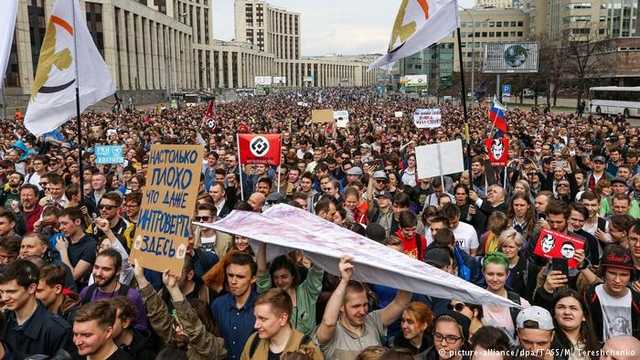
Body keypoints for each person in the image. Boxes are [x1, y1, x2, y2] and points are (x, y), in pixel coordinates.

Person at [315, 256, 411, 360]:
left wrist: (405, 270)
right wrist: (344, 281)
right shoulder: (332, 334)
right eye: (356, 306)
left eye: (365, 305)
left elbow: (400, 303)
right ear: (341, 306)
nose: (362, 311)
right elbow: (328, 323)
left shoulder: (373, 320)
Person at [134, 260, 227, 360]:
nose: (177, 329)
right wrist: (141, 279)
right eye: (177, 325)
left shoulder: (214, 349)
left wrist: (174, 290)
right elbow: (160, 318)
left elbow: (196, 333)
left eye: (183, 326)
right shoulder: (179, 342)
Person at [0, 259, 73, 359]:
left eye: (11, 292)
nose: (4, 298)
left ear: (32, 288)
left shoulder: (58, 330)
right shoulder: (3, 321)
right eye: (2, 292)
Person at [256, 244, 323, 337]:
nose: (279, 281)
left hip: (305, 348)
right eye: (276, 277)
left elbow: (318, 270)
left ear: (293, 276)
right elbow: (261, 272)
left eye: (284, 277)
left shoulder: (307, 292)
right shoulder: (270, 297)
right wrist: (263, 242)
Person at [240, 288, 323, 359]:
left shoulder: (307, 349)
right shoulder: (253, 342)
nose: (255, 325)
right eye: (256, 318)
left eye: (263, 319)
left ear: (283, 318)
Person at [79, 249, 149, 331]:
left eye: (106, 269)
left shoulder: (131, 296)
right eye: (96, 267)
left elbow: (141, 329)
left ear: (118, 271)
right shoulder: (87, 292)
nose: (98, 273)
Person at [584, 244, 640, 343]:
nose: (617, 280)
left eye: (624, 275)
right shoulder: (591, 295)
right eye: (612, 273)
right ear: (604, 272)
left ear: (630, 276)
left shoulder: (636, 299)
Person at [210, 251, 259, 360]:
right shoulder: (218, 305)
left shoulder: (262, 306)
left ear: (253, 279)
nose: (233, 281)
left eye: (240, 277)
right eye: (230, 275)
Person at [480, 252, 531, 342]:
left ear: (507, 275)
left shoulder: (521, 304)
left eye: (500, 274)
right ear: (483, 273)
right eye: (490, 274)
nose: (495, 279)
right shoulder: (473, 302)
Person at [551, 288, 599, 360]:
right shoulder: (548, 342)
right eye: (561, 307)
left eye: (573, 308)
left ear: (584, 316)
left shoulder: (595, 345)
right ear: (554, 314)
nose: (567, 312)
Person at [57, 207, 97, 289]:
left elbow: (73, 276)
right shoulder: (62, 240)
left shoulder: (90, 245)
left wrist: (63, 251)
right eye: (60, 224)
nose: (60, 228)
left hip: (76, 292)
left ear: (77, 222)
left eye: (65, 224)